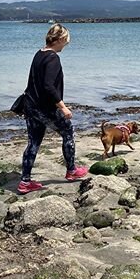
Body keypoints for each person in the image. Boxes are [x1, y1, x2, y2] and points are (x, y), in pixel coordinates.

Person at [18, 23, 88, 194]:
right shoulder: (53, 58)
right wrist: (63, 107)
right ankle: (71, 171)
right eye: (67, 42)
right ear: (61, 39)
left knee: (33, 142)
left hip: (30, 105)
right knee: (68, 132)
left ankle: (25, 182)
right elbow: (49, 87)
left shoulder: (39, 54)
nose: (66, 45)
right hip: (44, 107)